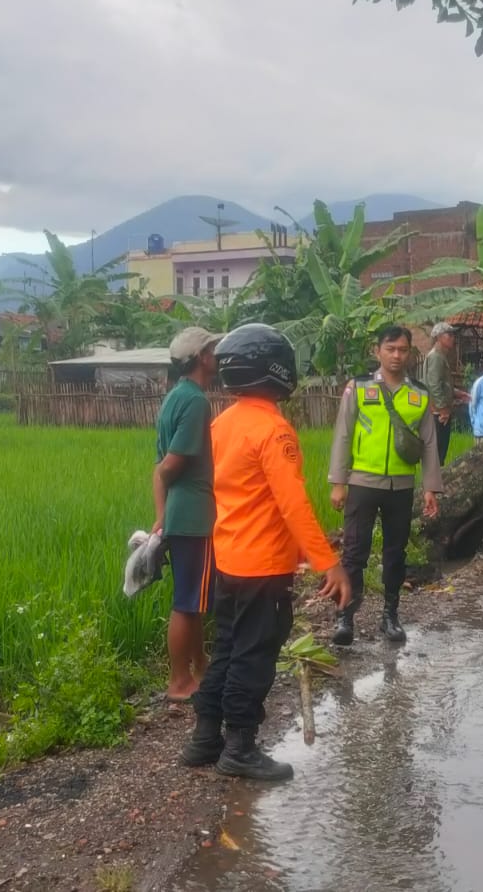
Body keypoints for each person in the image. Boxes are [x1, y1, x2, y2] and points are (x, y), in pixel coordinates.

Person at [181, 323, 347, 782]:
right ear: (276, 369)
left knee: (229, 650)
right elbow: (292, 503)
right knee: (253, 657)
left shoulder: (223, 423)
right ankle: (240, 747)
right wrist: (327, 562)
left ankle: (204, 739)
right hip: (263, 568)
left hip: (228, 559)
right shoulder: (274, 430)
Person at [327, 326, 443, 646]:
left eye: (403, 350)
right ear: (377, 351)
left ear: (410, 353)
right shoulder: (359, 388)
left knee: (395, 554)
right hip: (363, 482)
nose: (396, 355)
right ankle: (345, 618)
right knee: (354, 553)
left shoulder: (419, 394)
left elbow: (430, 443)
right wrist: (338, 482)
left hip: (401, 487)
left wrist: (431, 487)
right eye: (390, 349)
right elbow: (343, 435)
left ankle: (390, 617)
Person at [152, 326, 224, 709]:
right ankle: (180, 680)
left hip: (181, 514)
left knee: (192, 599)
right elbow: (167, 466)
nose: (218, 354)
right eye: (213, 348)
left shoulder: (174, 397)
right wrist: (169, 507)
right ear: (201, 358)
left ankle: (199, 666)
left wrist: (162, 517)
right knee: (187, 602)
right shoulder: (196, 402)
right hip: (195, 516)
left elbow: (157, 469)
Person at [420, 321, 469, 464]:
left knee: (440, 454)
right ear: (439, 337)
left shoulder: (440, 356)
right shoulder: (436, 356)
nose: (452, 338)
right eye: (449, 335)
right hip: (437, 414)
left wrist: (457, 393)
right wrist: (443, 410)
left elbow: (442, 384)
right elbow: (434, 384)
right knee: (437, 454)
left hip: (440, 412)